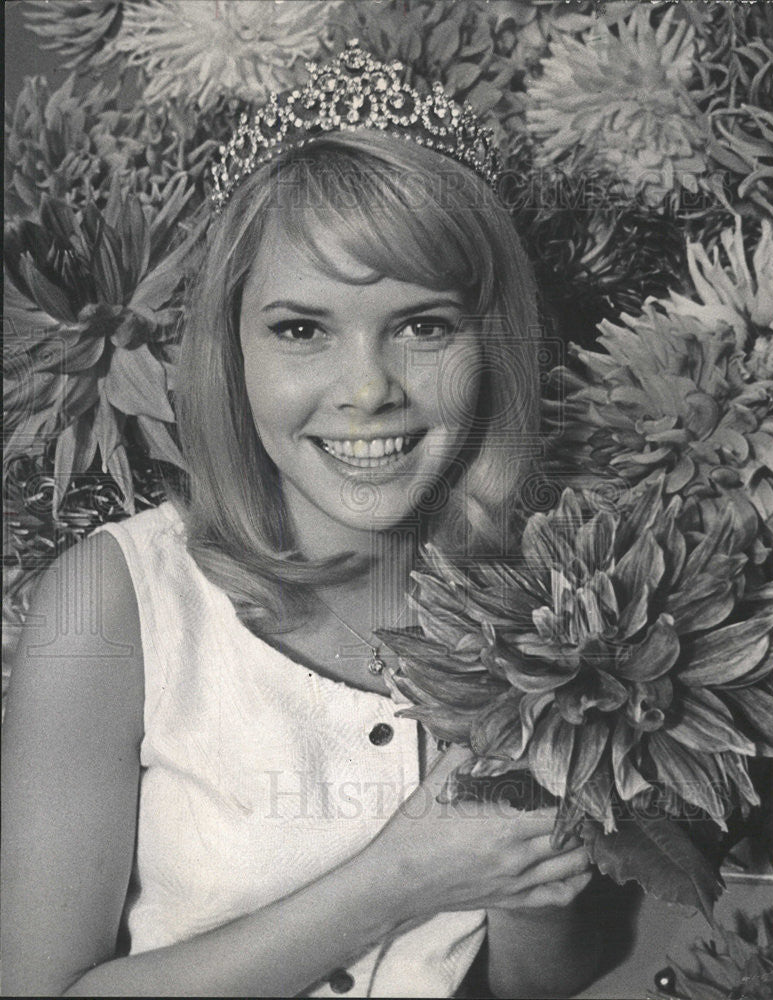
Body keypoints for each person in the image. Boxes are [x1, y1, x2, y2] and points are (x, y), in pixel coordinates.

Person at [0, 46, 605, 998]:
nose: (366, 389)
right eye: (300, 329)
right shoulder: (114, 598)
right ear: (228, 343)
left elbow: (542, 982)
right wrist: (396, 880)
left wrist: (525, 876)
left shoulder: (560, 600)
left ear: (492, 339)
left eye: (423, 325)